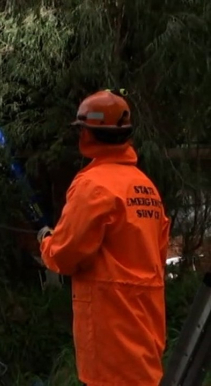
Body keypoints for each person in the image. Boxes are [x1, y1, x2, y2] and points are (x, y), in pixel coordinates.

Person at [37, 89, 170, 386]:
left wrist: (46, 241)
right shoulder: (145, 187)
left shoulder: (92, 185)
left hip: (110, 337)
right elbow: (156, 256)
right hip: (145, 332)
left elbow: (65, 255)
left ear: (86, 135)